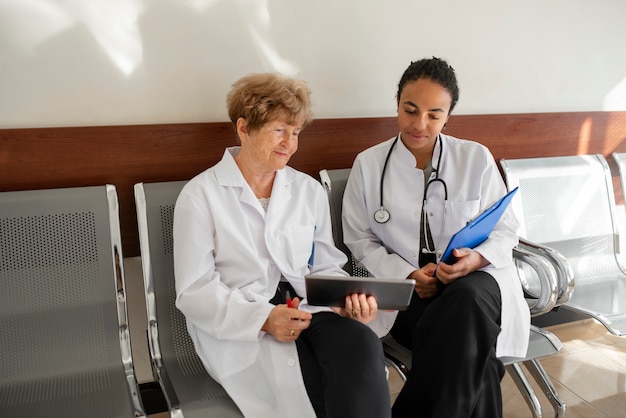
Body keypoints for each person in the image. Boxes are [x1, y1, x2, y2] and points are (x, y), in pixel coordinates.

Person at [173, 72, 391, 418]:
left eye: (296, 132)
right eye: (279, 130)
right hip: (242, 318)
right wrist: (263, 319)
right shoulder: (200, 196)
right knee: (309, 382)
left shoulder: (307, 190)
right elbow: (194, 290)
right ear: (243, 128)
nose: (289, 143)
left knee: (361, 346)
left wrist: (344, 300)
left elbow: (324, 266)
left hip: (308, 305)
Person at [342, 57, 530, 418]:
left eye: (433, 114)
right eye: (410, 110)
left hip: (480, 281)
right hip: (415, 296)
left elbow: (506, 229)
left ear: (449, 116)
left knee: (467, 297)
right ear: (397, 104)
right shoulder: (369, 164)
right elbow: (359, 237)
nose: (419, 124)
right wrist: (407, 275)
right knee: (477, 359)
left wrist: (476, 259)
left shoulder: (474, 158)